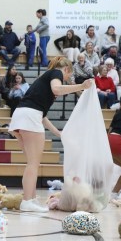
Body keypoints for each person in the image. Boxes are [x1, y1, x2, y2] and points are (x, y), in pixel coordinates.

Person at [8, 57, 93, 212]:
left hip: (23, 115)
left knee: (31, 163)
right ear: (67, 69)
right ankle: (27, 201)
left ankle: (30, 199)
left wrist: (58, 133)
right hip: (29, 116)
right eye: (68, 76)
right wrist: (81, 85)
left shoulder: (45, 79)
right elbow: (57, 89)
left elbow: (43, 115)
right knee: (33, 163)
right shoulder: (56, 73)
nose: (66, 80)